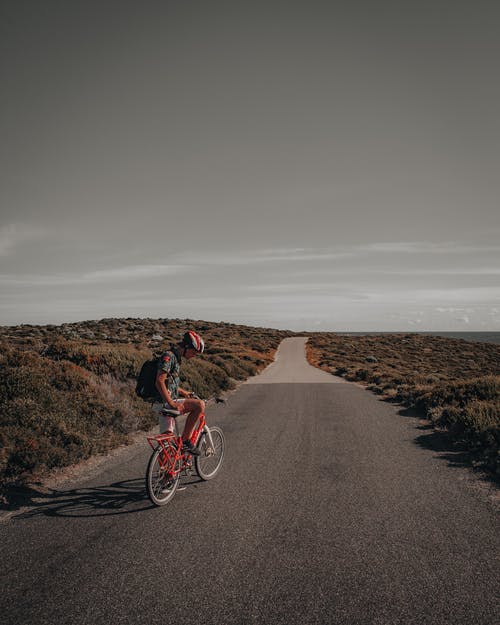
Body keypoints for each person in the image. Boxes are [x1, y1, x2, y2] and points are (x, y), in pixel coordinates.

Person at [153, 330, 205, 456]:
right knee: (199, 405)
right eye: (193, 352)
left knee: (167, 440)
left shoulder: (175, 357)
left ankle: (167, 471)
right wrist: (171, 403)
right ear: (186, 347)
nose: (193, 355)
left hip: (164, 401)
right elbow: (159, 381)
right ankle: (186, 441)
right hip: (165, 402)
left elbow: (168, 383)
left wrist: (183, 392)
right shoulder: (169, 356)